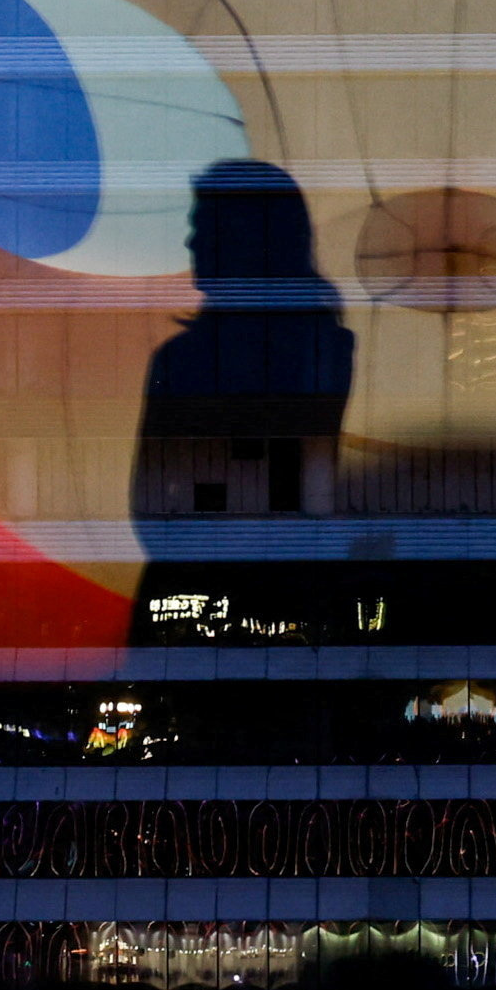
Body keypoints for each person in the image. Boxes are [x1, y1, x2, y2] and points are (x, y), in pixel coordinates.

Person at [131, 159, 353, 642]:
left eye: (202, 228)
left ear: (244, 239)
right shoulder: (324, 350)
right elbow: (313, 487)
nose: (191, 244)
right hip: (284, 583)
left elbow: (149, 501)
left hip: (195, 589)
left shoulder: (182, 359)